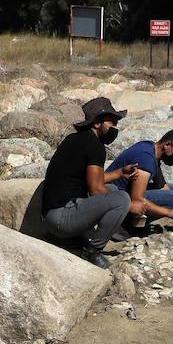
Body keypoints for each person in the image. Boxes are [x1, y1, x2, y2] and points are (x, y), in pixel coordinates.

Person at [40, 96, 138, 267]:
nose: (115, 128)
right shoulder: (95, 146)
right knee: (121, 198)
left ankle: (88, 236)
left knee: (113, 190)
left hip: (51, 216)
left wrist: (120, 172)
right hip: (62, 219)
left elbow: (92, 180)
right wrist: (128, 206)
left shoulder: (76, 139)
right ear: (96, 123)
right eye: (112, 123)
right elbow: (96, 190)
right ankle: (93, 251)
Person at [107, 128, 173, 235]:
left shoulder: (151, 148)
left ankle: (133, 222)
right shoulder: (146, 159)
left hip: (124, 192)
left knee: (172, 190)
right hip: (115, 199)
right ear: (167, 144)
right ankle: (125, 226)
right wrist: (172, 213)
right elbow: (137, 200)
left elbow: (163, 187)